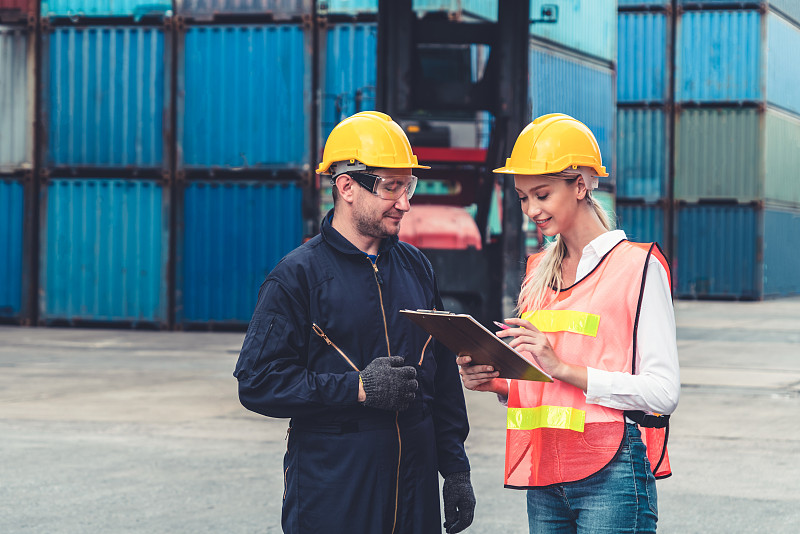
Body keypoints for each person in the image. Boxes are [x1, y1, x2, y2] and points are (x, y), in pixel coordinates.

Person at [234, 111, 476, 534]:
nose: (404, 202)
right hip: (335, 492)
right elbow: (258, 381)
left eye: (408, 186)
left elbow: (441, 378)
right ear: (346, 186)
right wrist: (357, 388)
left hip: (413, 493)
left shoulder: (416, 267)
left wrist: (455, 469)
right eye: (390, 186)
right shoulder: (297, 277)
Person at [457, 113, 680, 534]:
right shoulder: (538, 269)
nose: (531, 210)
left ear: (580, 185)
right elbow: (545, 384)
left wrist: (562, 367)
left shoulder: (639, 267)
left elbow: (663, 393)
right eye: (523, 197)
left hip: (611, 472)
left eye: (542, 194)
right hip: (545, 474)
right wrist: (498, 381)